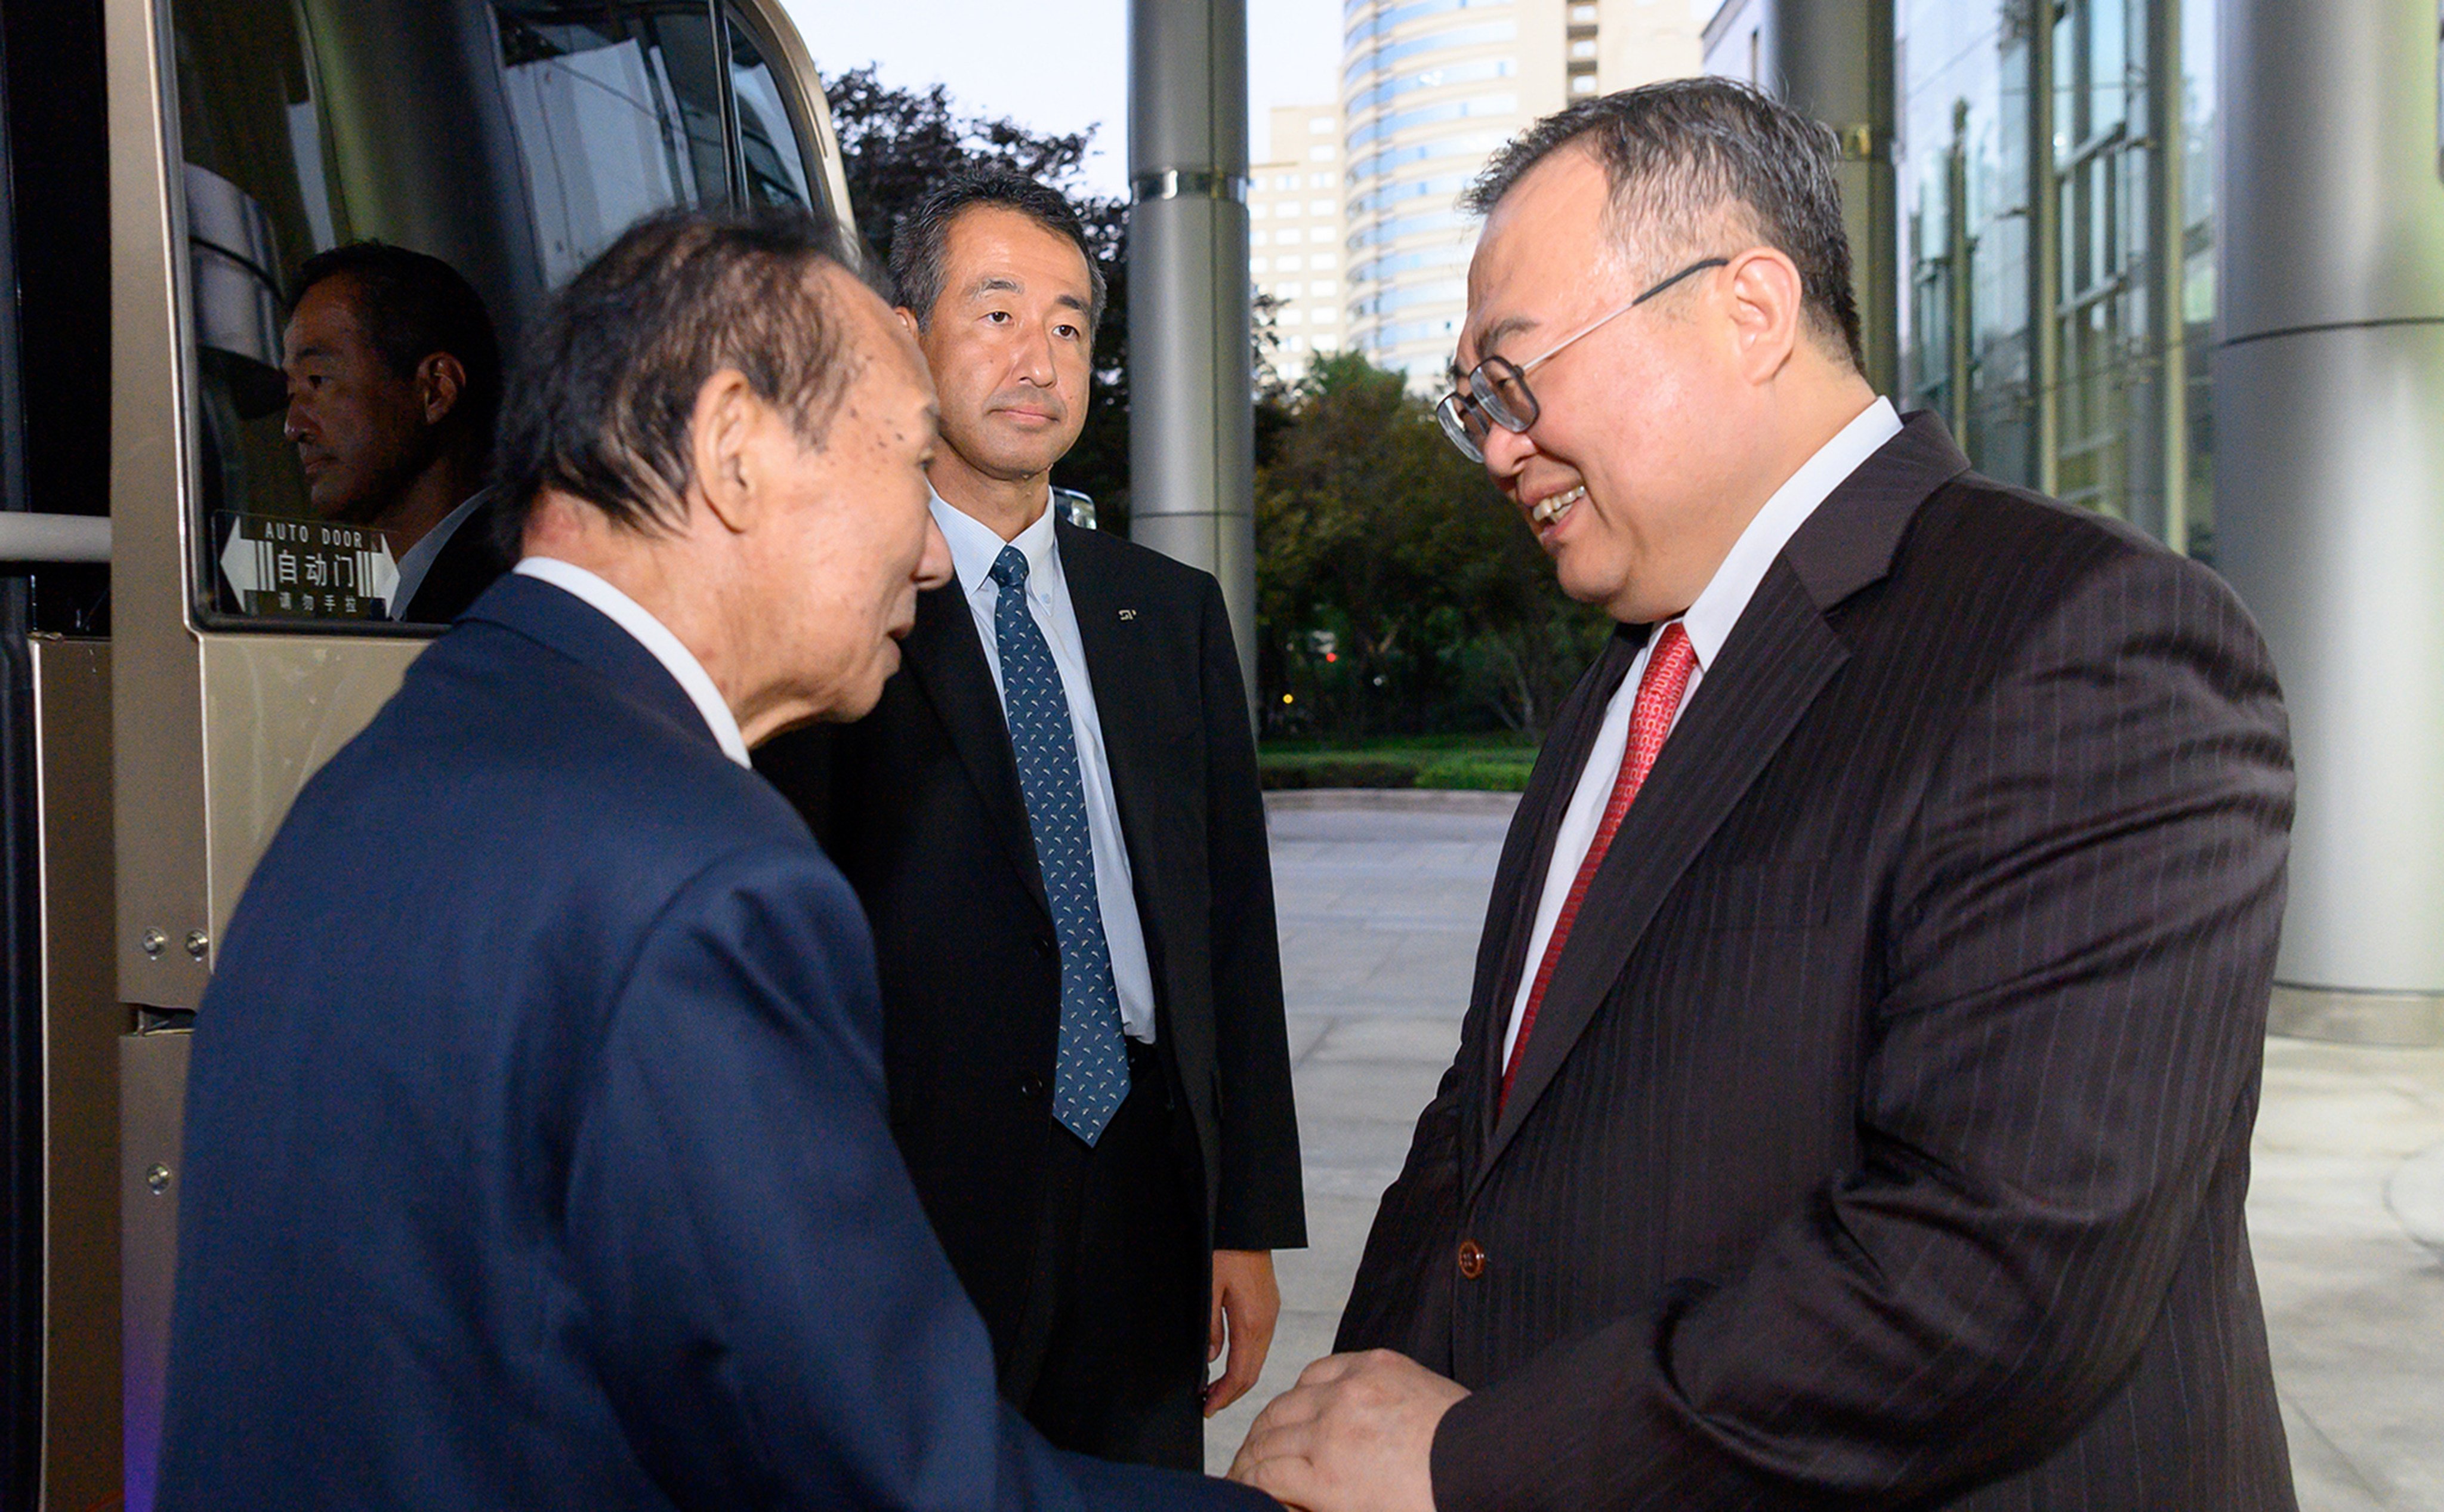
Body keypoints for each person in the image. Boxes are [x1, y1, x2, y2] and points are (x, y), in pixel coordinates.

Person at [1231, 79, 2297, 1511]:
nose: (1495, 446)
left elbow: (1994, 1282)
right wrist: (1352, 1419)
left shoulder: (2090, 641)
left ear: (1748, 309)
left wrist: (1471, 1460)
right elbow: (1488, 1125)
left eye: (1517, 376)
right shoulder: (1637, 667)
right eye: (1472, 403)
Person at [158, 207, 1277, 1511]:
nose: (929, 550)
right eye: (904, 464)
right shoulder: (700, 882)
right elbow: (891, 1478)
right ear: (737, 451)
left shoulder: (398, 762)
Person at [757, 171, 1306, 1469]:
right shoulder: (839, 602)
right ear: (905, 336)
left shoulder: (1166, 613)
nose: (1036, 358)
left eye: (1067, 326)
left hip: (1143, 1181)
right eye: (995, 312)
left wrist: (1246, 1215)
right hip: (918, 1197)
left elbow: (1230, 925)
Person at [282, 241, 511, 621]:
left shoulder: (501, 604)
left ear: (435, 390)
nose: (294, 428)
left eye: (318, 381)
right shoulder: (409, 599)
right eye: (290, 393)